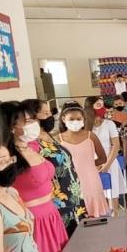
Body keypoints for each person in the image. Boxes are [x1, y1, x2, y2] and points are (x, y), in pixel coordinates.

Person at [0, 103, 69, 252]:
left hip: (52, 215)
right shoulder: (6, 157)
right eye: (27, 121)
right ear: (11, 126)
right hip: (33, 221)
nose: (34, 124)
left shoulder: (33, 146)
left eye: (32, 119)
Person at [21, 99, 87, 235]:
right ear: (31, 117)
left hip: (73, 199)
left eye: (50, 112)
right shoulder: (31, 144)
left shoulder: (48, 135)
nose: (50, 117)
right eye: (45, 113)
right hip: (58, 203)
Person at [56, 103, 110, 218]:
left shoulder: (91, 136)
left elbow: (103, 158)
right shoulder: (58, 139)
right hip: (70, 182)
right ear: (63, 119)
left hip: (91, 180)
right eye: (71, 119)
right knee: (76, 214)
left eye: (78, 119)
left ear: (83, 119)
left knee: (96, 215)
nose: (75, 122)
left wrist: (88, 164)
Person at [93, 101, 127, 213]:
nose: (101, 109)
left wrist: (107, 165)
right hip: (93, 166)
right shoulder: (85, 126)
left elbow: (116, 145)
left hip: (110, 163)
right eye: (98, 105)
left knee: (113, 199)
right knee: (98, 201)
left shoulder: (109, 124)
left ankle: (115, 219)